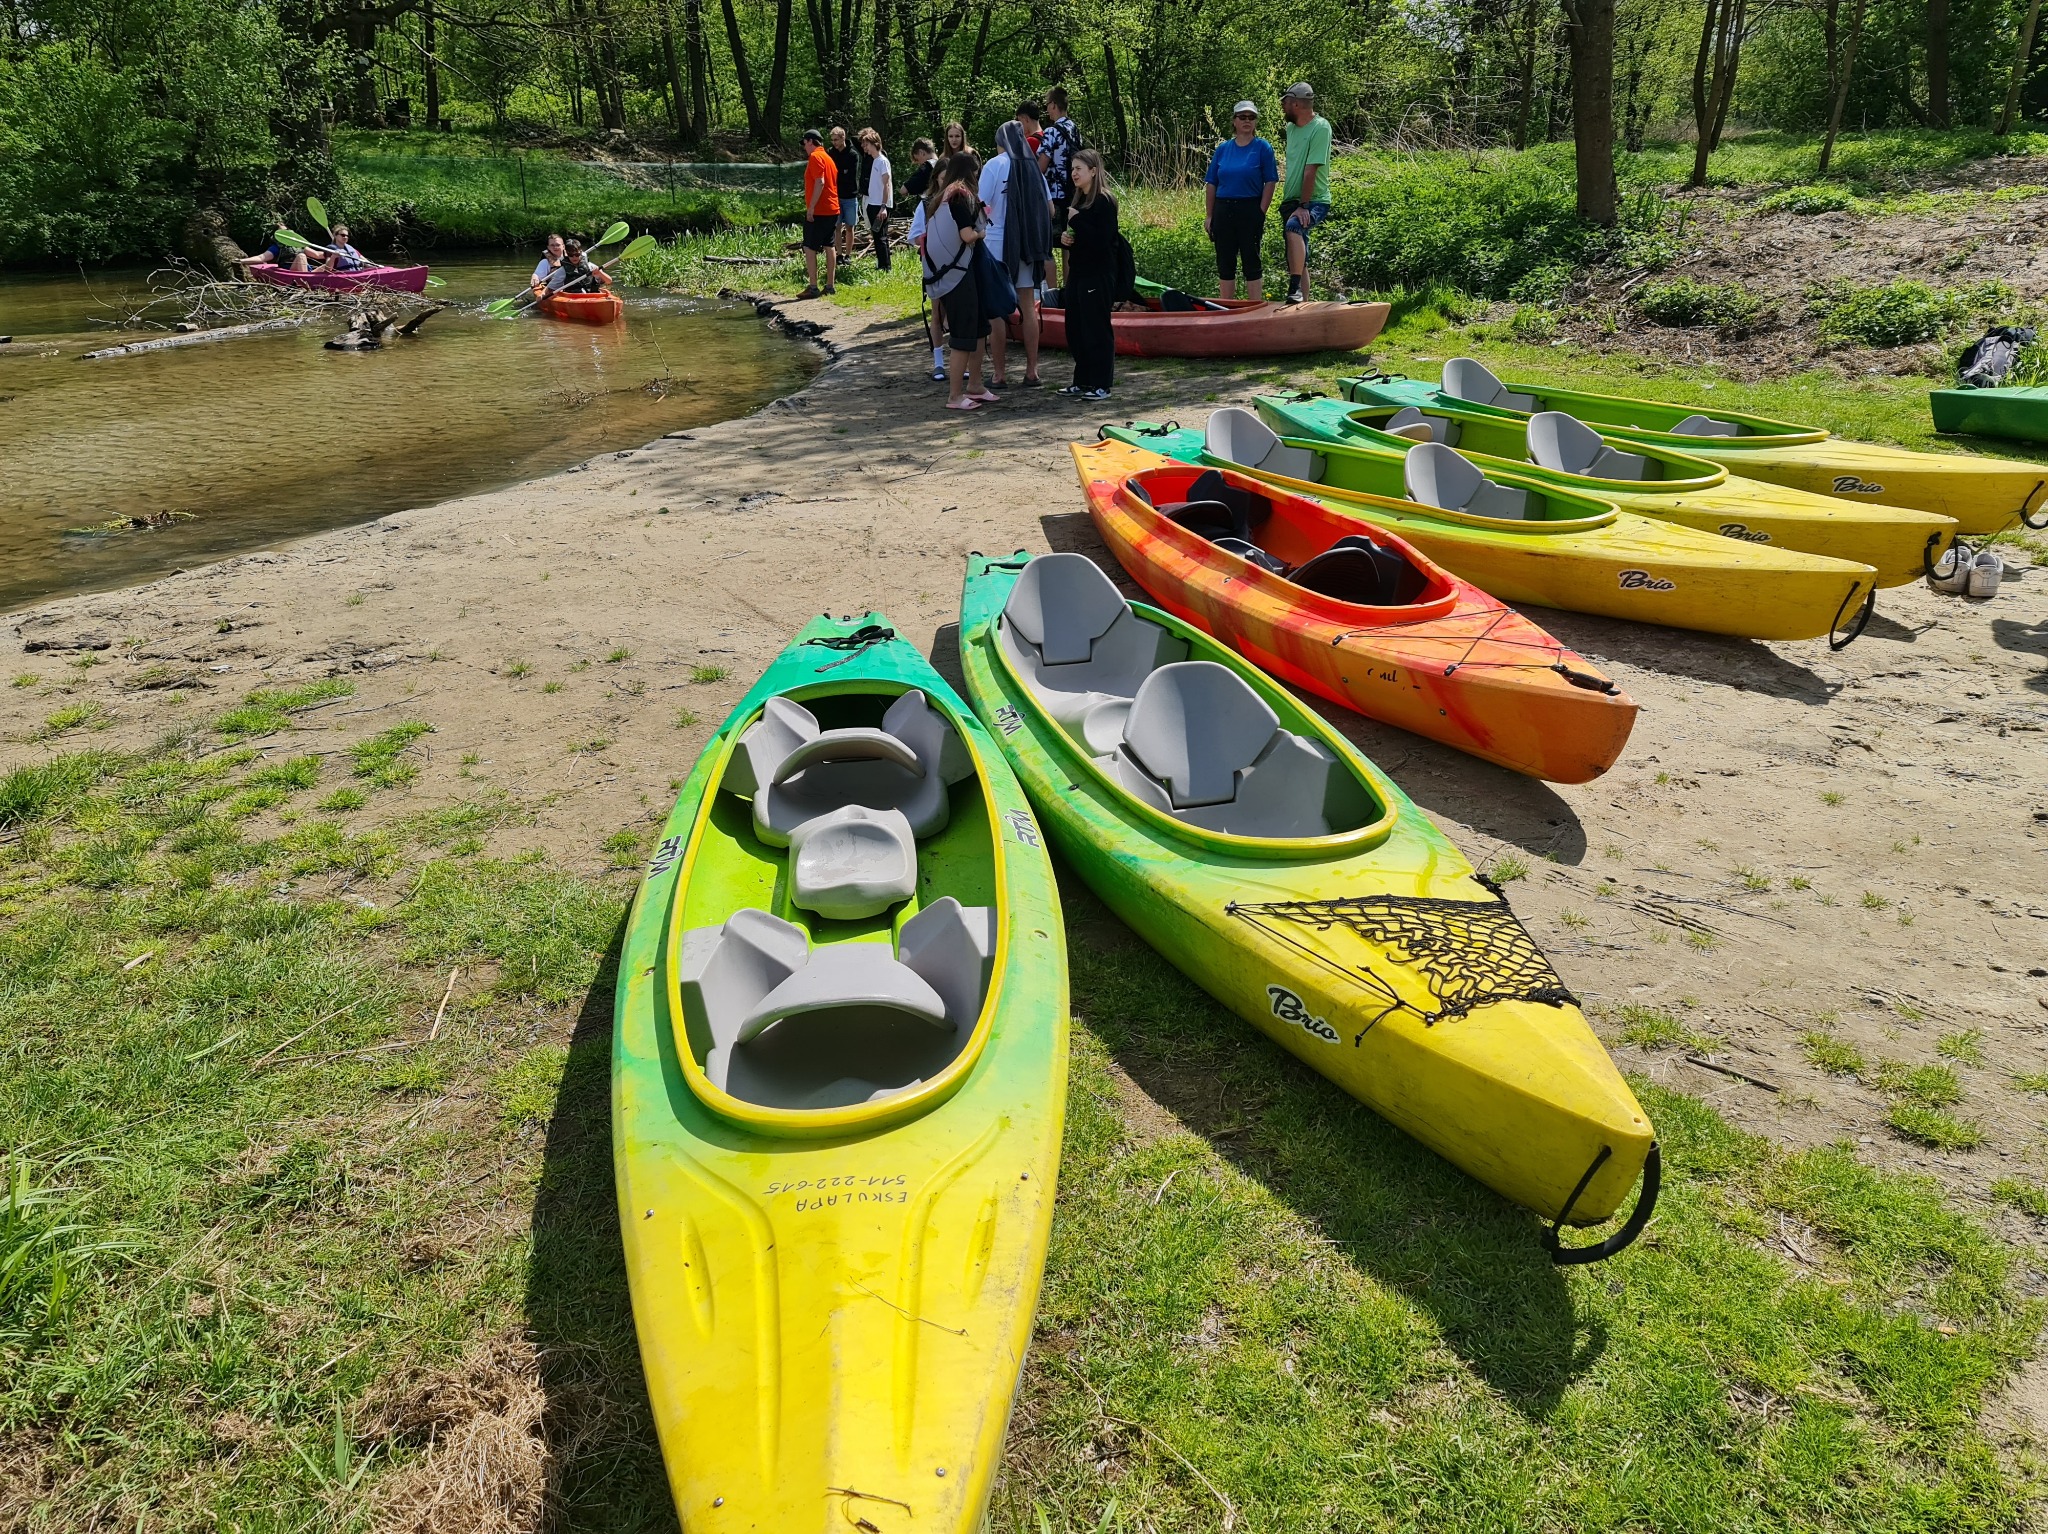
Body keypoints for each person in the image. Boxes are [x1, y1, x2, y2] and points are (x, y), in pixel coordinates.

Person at [979, 118, 1053, 388]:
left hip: (997, 245)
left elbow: (980, 205)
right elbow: (1050, 210)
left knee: (997, 310)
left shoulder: (994, 165)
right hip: (1028, 247)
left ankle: (999, 374)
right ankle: (1031, 372)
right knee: (1028, 307)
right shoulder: (1033, 168)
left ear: (1000, 143)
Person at [920, 151, 996, 410]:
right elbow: (966, 235)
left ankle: (975, 385)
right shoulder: (959, 196)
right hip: (956, 276)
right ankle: (954, 396)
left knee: (978, 330)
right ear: (971, 172)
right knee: (964, 335)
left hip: (954, 273)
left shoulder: (942, 196)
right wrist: (982, 232)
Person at [1058, 149, 1118, 400]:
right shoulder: (1078, 200)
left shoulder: (1104, 200)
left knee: (1096, 328)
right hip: (1079, 272)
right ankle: (1082, 380)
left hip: (1098, 273)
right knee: (1076, 328)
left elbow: (1104, 241)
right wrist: (1064, 240)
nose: (1074, 173)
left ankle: (1102, 384)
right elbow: (1079, 237)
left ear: (1093, 171)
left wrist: (1079, 221)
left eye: (1079, 169)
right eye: (1072, 169)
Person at [1205, 101, 1278, 300]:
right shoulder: (1223, 149)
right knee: (1225, 260)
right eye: (1242, 117)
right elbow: (1211, 182)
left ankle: (1254, 306)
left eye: (1251, 117)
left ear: (1255, 122)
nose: (1247, 121)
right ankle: (1227, 307)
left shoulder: (1263, 147)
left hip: (1250, 207)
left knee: (1250, 258)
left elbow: (1270, 181)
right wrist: (1209, 215)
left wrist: (1260, 211)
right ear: (1234, 121)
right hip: (1223, 208)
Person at [1277, 81, 1332, 305]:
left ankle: (1295, 288)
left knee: (1294, 228)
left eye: (1285, 103)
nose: (1283, 107)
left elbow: (1310, 171)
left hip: (1313, 200)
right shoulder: (1291, 129)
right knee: (1298, 256)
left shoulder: (1320, 127)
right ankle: (1304, 306)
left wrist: (1303, 205)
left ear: (1297, 104)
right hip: (1291, 200)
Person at [1038, 87, 1081, 284]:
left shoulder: (1051, 131)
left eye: (1047, 105)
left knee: (1047, 246)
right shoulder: (1075, 129)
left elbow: (1042, 165)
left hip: (1054, 195)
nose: (1047, 110)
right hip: (1074, 194)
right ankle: (1069, 291)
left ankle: (1054, 296)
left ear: (1054, 105)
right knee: (1069, 245)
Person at [799, 127, 840, 298]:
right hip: (833, 209)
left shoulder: (815, 156)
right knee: (829, 245)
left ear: (810, 141)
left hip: (820, 210)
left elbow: (820, 182)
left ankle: (813, 286)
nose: (804, 147)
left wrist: (811, 208)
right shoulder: (829, 158)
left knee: (809, 247)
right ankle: (830, 285)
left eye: (804, 143)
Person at [860, 128, 893, 273]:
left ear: (874, 144)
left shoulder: (882, 161)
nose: (865, 147)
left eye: (867, 144)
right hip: (872, 203)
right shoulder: (874, 161)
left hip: (880, 205)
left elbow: (886, 184)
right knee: (877, 236)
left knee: (881, 237)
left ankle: (886, 266)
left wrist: (883, 207)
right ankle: (881, 264)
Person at [829, 125, 861, 264]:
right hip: (835, 196)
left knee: (849, 226)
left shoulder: (853, 154)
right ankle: (839, 255)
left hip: (850, 196)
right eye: (832, 140)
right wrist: (842, 173)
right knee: (836, 226)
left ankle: (848, 255)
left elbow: (850, 176)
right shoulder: (831, 153)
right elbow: (832, 174)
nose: (834, 143)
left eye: (836, 139)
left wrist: (838, 174)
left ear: (843, 138)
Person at [901, 138, 937, 207]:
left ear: (921, 153)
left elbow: (903, 190)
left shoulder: (927, 167)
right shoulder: (945, 163)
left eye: (917, 159)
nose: (919, 164)